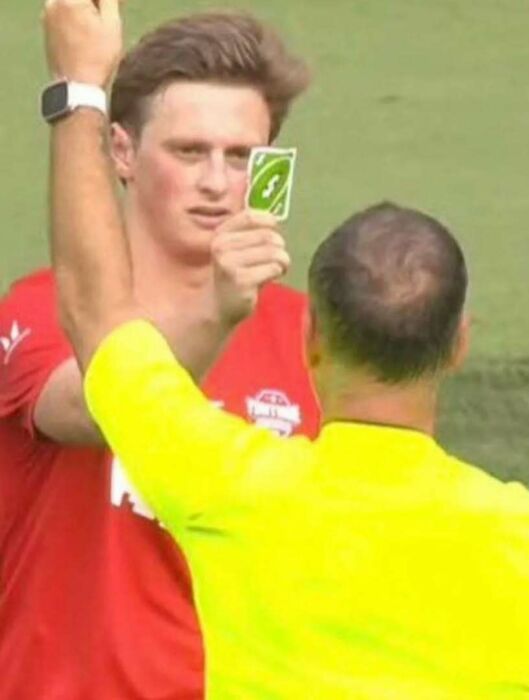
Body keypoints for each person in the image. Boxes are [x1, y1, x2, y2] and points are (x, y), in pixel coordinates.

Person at [42, 0, 529, 698]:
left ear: (312, 338)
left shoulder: (231, 487)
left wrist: (79, 89)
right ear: (459, 344)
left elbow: (98, 319)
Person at [0, 8, 319, 700]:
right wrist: (216, 316)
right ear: (121, 153)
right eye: (189, 152)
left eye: (241, 157)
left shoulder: (311, 336)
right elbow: (95, 407)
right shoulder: (38, 311)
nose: (216, 182)